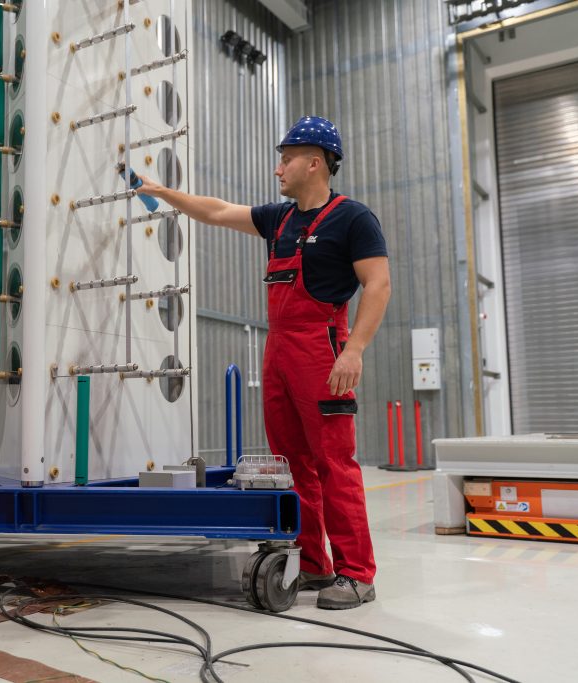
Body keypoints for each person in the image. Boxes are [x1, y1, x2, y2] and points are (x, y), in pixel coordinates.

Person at [139, 116, 390, 610]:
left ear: (314, 162)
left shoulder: (353, 218)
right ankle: (316, 564)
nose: (279, 169)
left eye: (286, 158)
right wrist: (165, 193)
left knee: (334, 463)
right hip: (279, 350)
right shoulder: (279, 219)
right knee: (294, 464)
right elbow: (215, 212)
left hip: (323, 349)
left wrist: (355, 349)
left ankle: (358, 573)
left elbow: (378, 285)